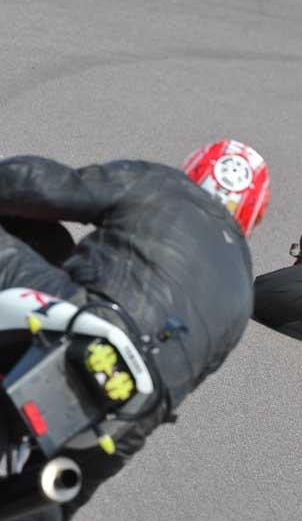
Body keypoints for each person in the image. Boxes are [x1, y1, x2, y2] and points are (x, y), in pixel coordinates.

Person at [0, 139, 269, 519]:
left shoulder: (168, 186)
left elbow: (44, 185)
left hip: (88, 324)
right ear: (252, 214)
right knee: (47, 503)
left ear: (195, 170)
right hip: (132, 408)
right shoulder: (243, 290)